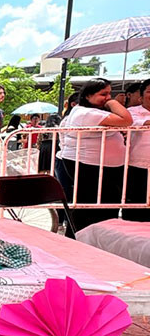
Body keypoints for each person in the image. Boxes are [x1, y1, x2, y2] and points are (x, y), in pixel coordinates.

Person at [55, 77, 133, 233]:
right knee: (91, 207)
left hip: (100, 166)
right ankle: (80, 240)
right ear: (87, 96)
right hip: (90, 166)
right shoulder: (86, 113)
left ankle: (92, 239)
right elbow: (127, 119)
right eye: (103, 94)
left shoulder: (90, 112)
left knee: (100, 207)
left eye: (109, 94)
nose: (107, 98)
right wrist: (113, 103)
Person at [124, 78, 150, 221]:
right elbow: (136, 123)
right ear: (141, 96)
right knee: (135, 205)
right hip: (137, 165)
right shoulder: (132, 111)